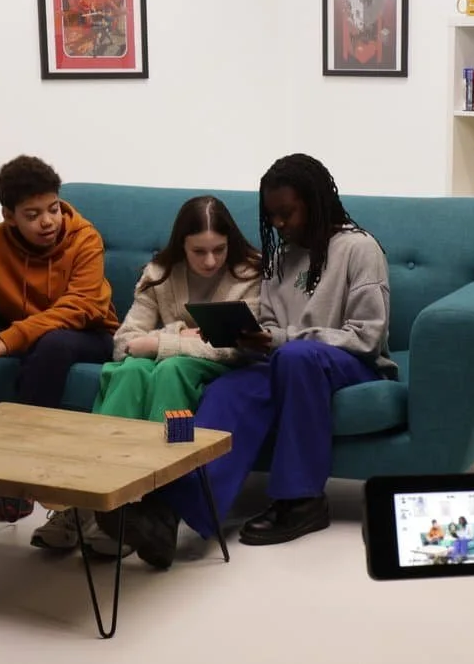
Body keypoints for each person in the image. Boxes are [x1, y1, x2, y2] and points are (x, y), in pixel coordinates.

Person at [104, 155, 391, 566]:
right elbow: (271, 325)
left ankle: (303, 501)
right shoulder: (280, 257)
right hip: (285, 362)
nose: (278, 224)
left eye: (287, 213)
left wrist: (282, 339)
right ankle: (172, 514)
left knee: (296, 356)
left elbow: (366, 335)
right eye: (272, 215)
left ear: (315, 201)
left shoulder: (359, 248)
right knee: (228, 390)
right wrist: (253, 339)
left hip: (349, 364)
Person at [0, 154, 120, 547]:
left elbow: (78, 307)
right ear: (8, 215)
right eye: (32, 215)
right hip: (25, 332)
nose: (48, 221)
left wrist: (5, 340)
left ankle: (19, 478)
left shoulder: (85, 238)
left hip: (88, 334)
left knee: (52, 343)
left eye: (53, 209)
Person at [95, 194, 265, 423]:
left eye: (219, 249)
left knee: (172, 369)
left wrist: (160, 343)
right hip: (177, 357)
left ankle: (168, 456)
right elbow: (125, 343)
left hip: (221, 367)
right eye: (199, 251)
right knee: (130, 371)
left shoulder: (251, 274)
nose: (210, 261)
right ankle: (106, 455)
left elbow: (242, 349)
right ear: (182, 245)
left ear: (230, 243)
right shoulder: (159, 273)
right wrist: (177, 332)